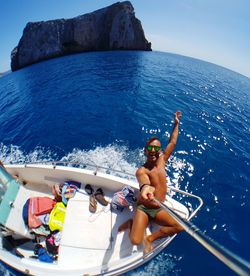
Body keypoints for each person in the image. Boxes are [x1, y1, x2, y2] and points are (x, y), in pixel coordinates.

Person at [118, 111, 183, 253]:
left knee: (180, 227)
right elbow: (144, 183)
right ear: (145, 151)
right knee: (135, 241)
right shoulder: (142, 170)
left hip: (159, 208)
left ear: (160, 151)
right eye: (150, 148)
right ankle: (132, 223)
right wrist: (147, 189)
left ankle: (150, 239)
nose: (153, 150)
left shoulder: (162, 161)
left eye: (157, 148)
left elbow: (172, 142)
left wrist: (176, 124)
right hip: (145, 208)